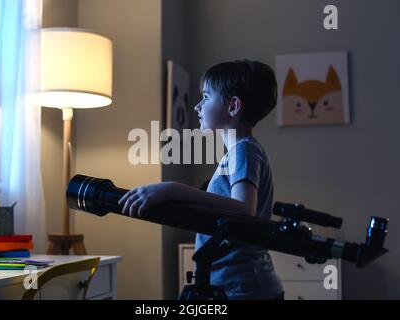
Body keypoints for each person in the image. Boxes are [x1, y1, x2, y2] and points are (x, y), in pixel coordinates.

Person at [118, 60, 284, 300]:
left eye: (206, 97)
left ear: (233, 106)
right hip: (239, 286)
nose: (197, 106)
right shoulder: (241, 152)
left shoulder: (243, 151)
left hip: (243, 289)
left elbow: (244, 210)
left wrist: (174, 189)